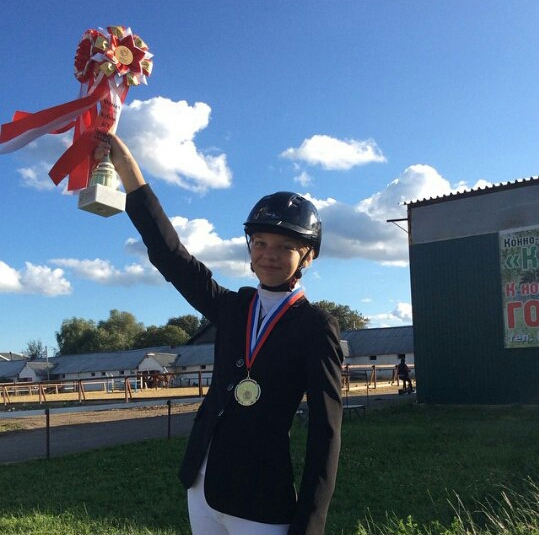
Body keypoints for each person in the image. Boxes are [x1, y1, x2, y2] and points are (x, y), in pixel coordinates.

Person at [97, 134, 343, 535]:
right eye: (260, 243)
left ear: (308, 256)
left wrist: (309, 525)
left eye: (285, 247)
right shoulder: (234, 307)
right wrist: (126, 167)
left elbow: (325, 431)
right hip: (202, 486)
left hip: (261, 500)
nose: (268, 254)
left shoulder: (316, 326)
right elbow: (171, 257)